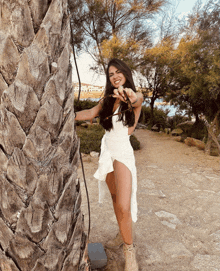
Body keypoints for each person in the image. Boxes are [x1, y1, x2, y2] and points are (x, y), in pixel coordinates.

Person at [75, 58, 143, 271]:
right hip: (107, 153)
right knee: (115, 200)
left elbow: (137, 99)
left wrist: (131, 95)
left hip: (122, 153)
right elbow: (89, 113)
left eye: (118, 72)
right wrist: (64, 115)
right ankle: (122, 234)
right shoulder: (107, 100)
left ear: (125, 73)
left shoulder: (133, 97)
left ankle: (129, 251)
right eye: (111, 73)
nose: (114, 76)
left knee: (124, 205)